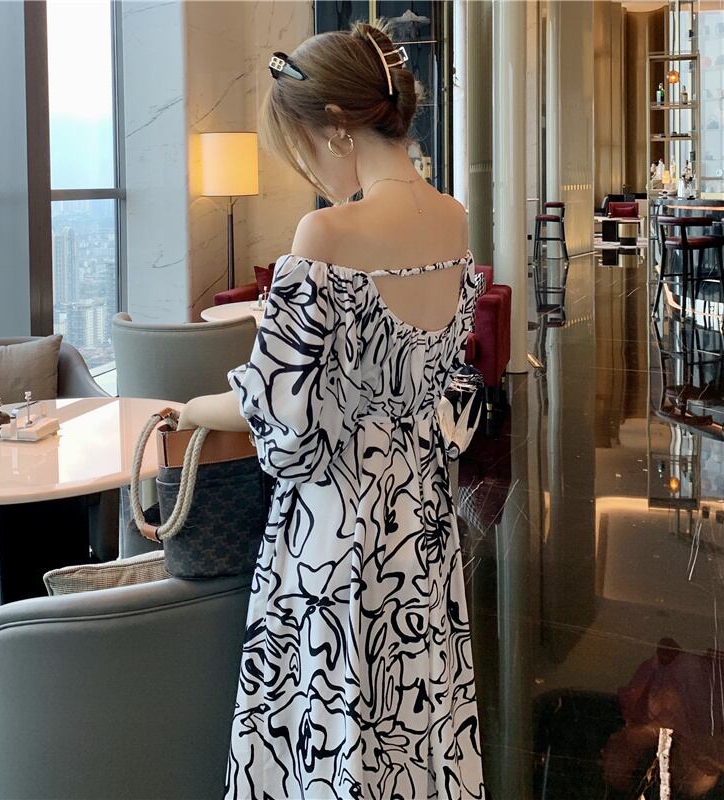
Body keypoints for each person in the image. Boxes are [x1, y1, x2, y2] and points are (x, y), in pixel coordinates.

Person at [180, 20, 485, 800]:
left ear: (339, 126)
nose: (311, 167)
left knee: (328, 723)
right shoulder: (453, 218)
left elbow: (278, 409)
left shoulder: (325, 232)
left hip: (335, 530)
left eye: (306, 145)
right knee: (415, 716)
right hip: (420, 520)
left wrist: (185, 408)